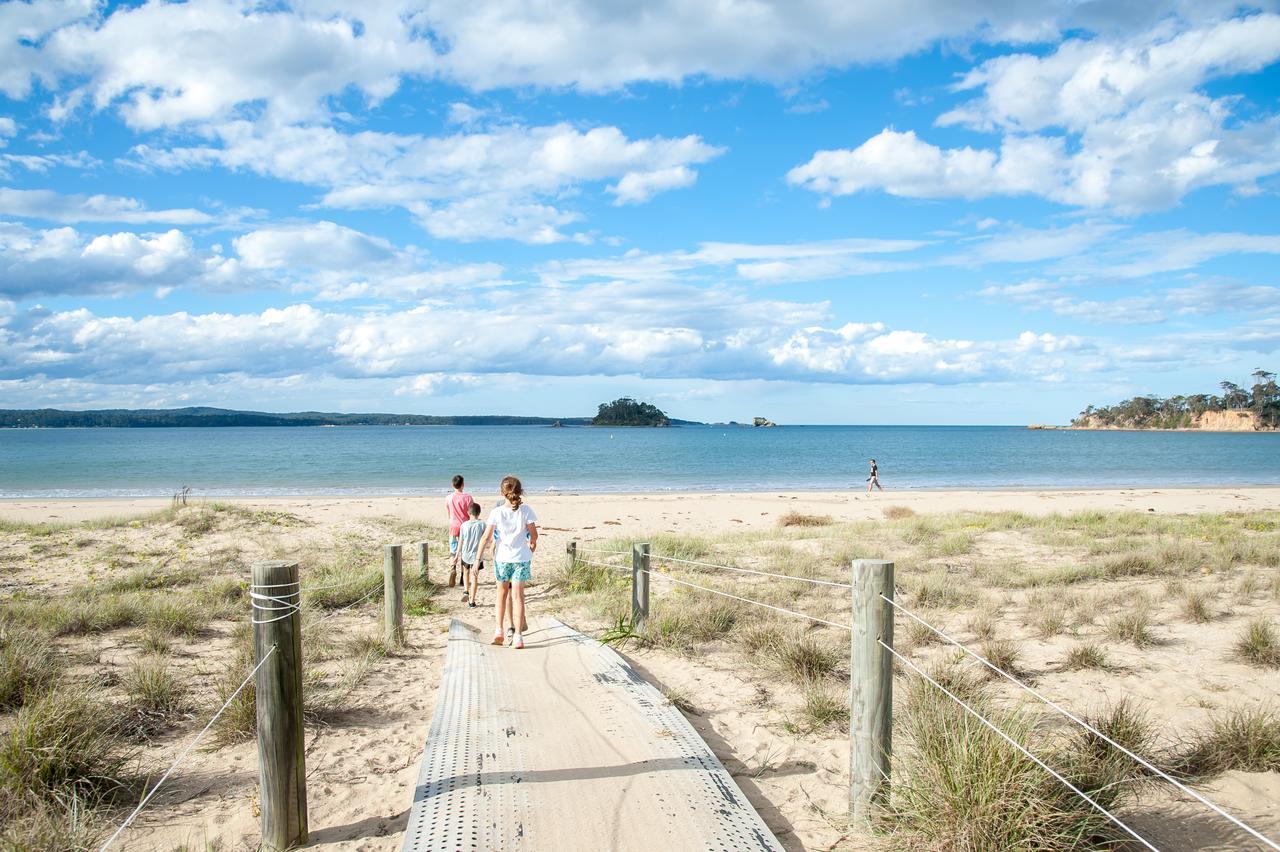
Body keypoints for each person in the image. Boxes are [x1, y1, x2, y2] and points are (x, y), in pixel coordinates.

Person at [474, 475, 538, 649]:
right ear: (520, 491)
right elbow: (533, 534)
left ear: (502, 492)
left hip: (502, 558)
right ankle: (517, 636)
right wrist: (532, 544)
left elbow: (486, 537)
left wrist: (477, 560)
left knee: (501, 595)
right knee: (518, 597)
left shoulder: (497, 512)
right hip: (521, 559)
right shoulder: (526, 511)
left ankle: (499, 631)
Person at [444, 474, 473, 586]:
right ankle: (462, 576)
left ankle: (452, 568)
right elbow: (471, 514)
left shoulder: (448, 498)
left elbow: (448, 514)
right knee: (464, 552)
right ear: (463, 485)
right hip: (465, 526)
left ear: (452, 485)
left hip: (453, 526)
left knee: (453, 550)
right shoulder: (468, 497)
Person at [457, 502, 487, 607]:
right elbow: (486, 538)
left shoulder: (464, 525)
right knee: (474, 577)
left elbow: (460, 541)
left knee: (465, 572)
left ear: (468, 513)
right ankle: (472, 601)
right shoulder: (483, 524)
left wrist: (456, 555)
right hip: (477, 556)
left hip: (465, 554)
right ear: (479, 513)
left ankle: (466, 590)